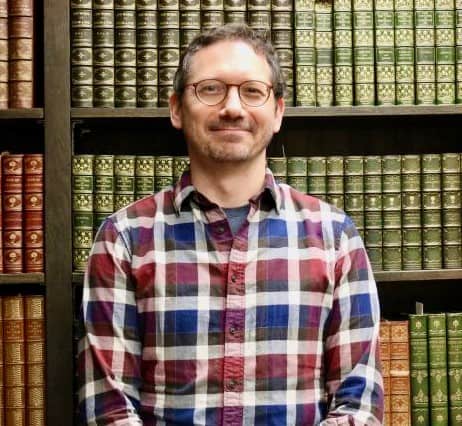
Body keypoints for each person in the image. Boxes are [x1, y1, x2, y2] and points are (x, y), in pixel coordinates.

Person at [78, 23, 384, 425]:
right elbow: (110, 411)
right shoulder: (124, 239)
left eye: (252, 91)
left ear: (277, 112)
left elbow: (357, 407)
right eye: (210, 89)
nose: (232, 107)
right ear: (175, 108)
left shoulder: (333, 237)